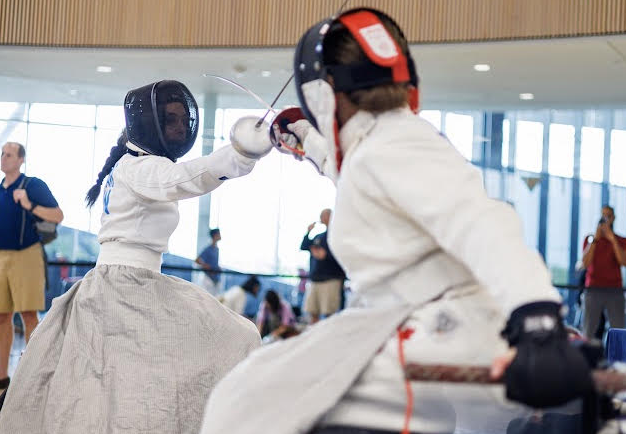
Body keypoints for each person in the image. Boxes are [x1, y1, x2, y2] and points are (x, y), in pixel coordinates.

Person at [200, 9, 593, 434]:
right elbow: (356, 176)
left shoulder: (396, 143)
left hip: (436, 328)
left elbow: (480, 221)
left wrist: (537, 317)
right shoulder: (383, 142)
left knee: (252, 399)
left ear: (325, 92)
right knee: (251, 390)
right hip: (405, 324)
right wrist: (306, 139)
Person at [0, 81, 263, 433]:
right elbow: (184, 179)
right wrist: (242, 153)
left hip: (133, 281)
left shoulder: (132, 163)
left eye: (183, 119)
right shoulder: (138, 167)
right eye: (171, 119)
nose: (180, 127)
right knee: (120, 382)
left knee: (132, 376)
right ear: (148, 123)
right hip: (125, 285)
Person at [0, 141, 63, 393]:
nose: (3, 158)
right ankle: (2, 381)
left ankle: (32, 381)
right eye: (2, 154)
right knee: (2, 317)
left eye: (9, 154)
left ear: (21, 160)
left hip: (26, 255)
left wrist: (29, 205)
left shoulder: (33, 185)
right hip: (1, 257)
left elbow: (58, 216)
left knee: (28, 316)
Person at [581, 205, 626, 338]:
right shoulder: (590, 239)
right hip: (593, 289)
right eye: (602, 216)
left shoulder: (620, 240)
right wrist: (595, 239)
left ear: (613, 218)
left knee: (619, 331)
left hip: (615, 291)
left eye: (608, 216)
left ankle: (619, 358)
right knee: (588, 330)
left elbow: (624, 262)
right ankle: (585, 357)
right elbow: (585, 263)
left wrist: (612, 239)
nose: (605, 219)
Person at [300, 208, 346, 323]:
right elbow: (304, 246)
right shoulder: (319, 236)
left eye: (325, 215)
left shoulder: (337, 236)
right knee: (313, 311)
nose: (322, 218)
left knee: (329, 313)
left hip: (331, 279)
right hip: (315, 279)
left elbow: (343, 256)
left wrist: (325, 255)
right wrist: (308, 232)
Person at [196, 228, 222, 296]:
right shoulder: (208, 249)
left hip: (215, 278)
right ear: (215, 235)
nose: (220, 235)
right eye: (219, 234)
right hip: (208, 279)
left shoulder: (216, 249)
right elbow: (197, 260)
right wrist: (205, 265)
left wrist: (217, 267)